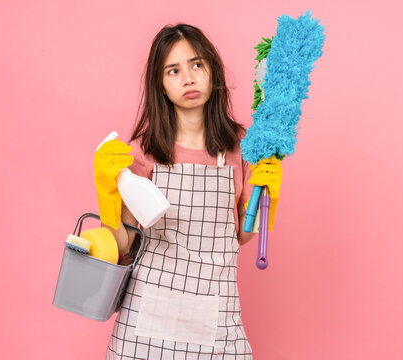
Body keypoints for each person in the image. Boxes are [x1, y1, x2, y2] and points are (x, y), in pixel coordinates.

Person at [94, 23, 282, 359]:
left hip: (216, 316)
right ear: (161, 86)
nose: (188, 78)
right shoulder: (143, 152)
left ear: (213, 71)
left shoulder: (241, 150)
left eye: (197, 65)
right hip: (147, 320)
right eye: (173, 70)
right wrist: (107, 198)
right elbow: (125, 244)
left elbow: (241, 235)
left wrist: (266, 198)